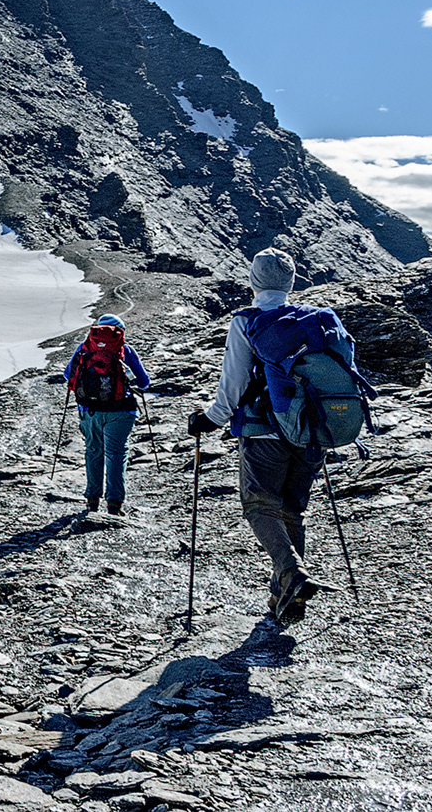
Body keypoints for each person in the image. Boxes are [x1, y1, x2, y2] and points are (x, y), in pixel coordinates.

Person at [187, 248, 330, 622]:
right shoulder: (316, 321)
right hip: (312, 432)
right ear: (292, 281)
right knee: (292, 512)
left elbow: (233, 383)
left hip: (264, 432)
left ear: (253, 281)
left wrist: (211, 419)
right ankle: (283, 598)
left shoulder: (247, 322)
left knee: (259, 506)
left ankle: (291, 573)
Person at [64, 314, 150, 515]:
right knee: (116, 454)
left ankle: (92, 500)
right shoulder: (125, 350)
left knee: (93, 451)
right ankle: (114, 504)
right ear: (120, 332)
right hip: (121, 410)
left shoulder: (84, 349)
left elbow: (68, 375)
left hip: (89, 410)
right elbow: (145, 382)